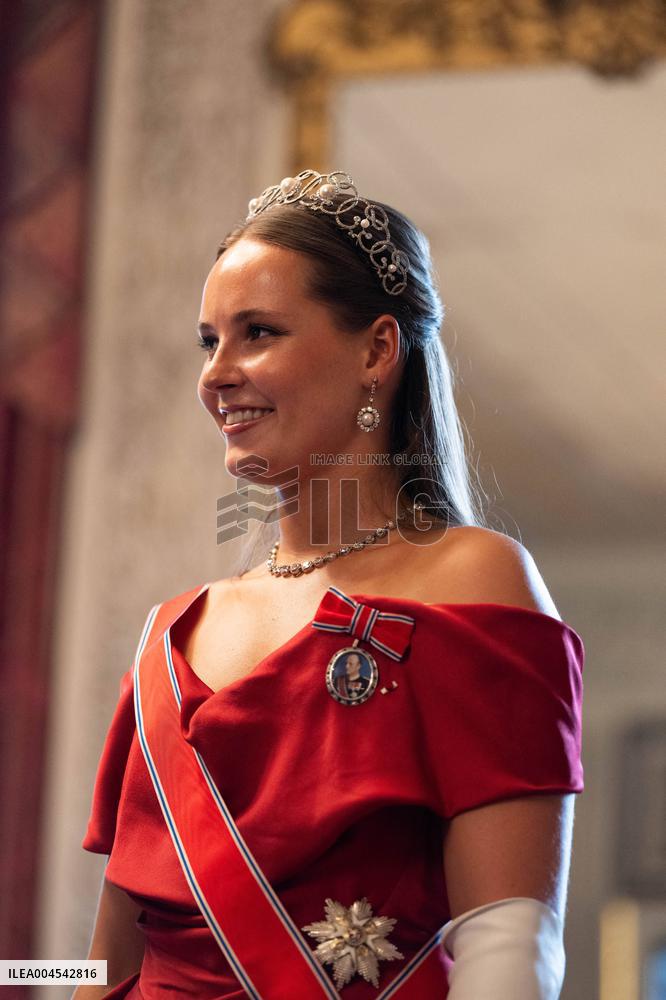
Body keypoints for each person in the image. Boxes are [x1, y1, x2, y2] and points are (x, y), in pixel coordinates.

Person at [75, 169, 584, 999]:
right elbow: (100, 965)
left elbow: (511, 948)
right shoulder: (171, 634)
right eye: (210, 341)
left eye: (259, 332)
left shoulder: (472, 583)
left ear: (377, 350)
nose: (217, 374)